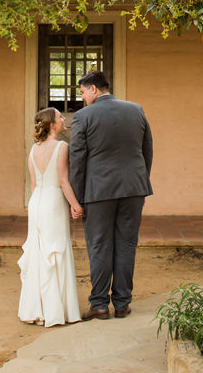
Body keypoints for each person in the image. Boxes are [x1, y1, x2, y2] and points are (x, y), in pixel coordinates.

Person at [69, 70, 154, 321]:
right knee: (127, 244)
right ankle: (122, 304)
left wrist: (77, 197)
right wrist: (140, 180)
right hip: (134, 188)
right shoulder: (136, 110)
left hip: (98, 191)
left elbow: (77, 159)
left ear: (93, 89)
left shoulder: (83, 116)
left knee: (99, 246)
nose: (82, 97)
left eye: (83, 91)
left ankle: (99, 305)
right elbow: (147, 150)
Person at [17, 107, 83, 326]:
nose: (64, 119)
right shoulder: (62, 146)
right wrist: (75, 205)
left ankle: (37, 309)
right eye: (60, 117)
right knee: (55, 251)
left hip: (37, 203)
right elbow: (63, 181)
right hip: (54, 202)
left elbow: (34, 184)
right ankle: (56, 311)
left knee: (38, 253)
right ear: (53, 125)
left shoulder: (33, 150)